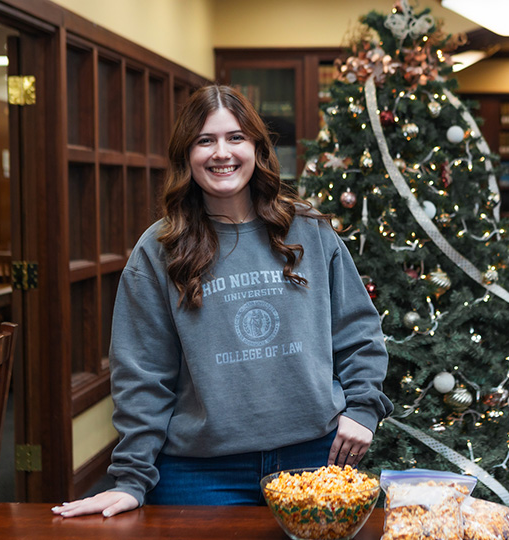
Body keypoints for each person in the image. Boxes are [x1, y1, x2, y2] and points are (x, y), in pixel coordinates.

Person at [52, 85, 392, 517]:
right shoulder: (158, 249)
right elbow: (141, 373)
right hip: (198, 472)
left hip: (315, 458)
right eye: (204, 140)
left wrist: (363, 408)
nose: (221, 153)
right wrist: (132, 478)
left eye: (235, 138)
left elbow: (358, 330)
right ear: (186, 155)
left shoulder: (308, 229)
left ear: (256, 147)